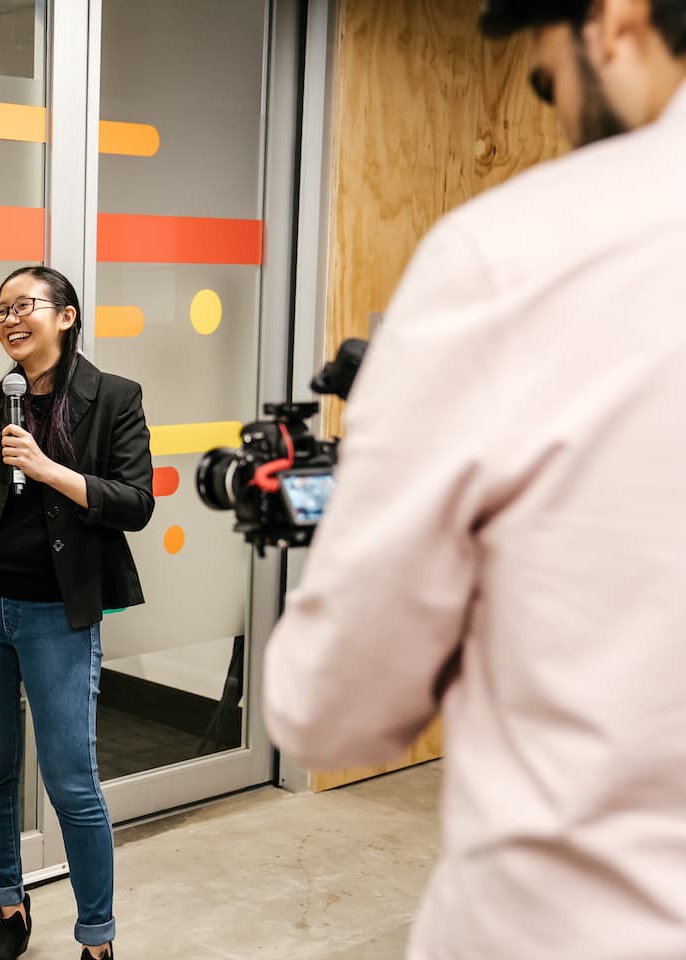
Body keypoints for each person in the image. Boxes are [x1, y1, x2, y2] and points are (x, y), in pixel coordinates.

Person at [262, 1, 686, 957]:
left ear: (615, 23)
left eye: (549, 83)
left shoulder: (513, 256)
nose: (563, 122)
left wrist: (380, 487)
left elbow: (333, 710)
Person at [0, 266, 154, 960]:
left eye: (24, 306)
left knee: (72, 782)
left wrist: (48, 468)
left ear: (67, 316)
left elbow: (135, 502)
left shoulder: (114, 398)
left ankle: (97, 939)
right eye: (1, 310)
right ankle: (10, 910)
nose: (9, 320)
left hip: (57, 614)